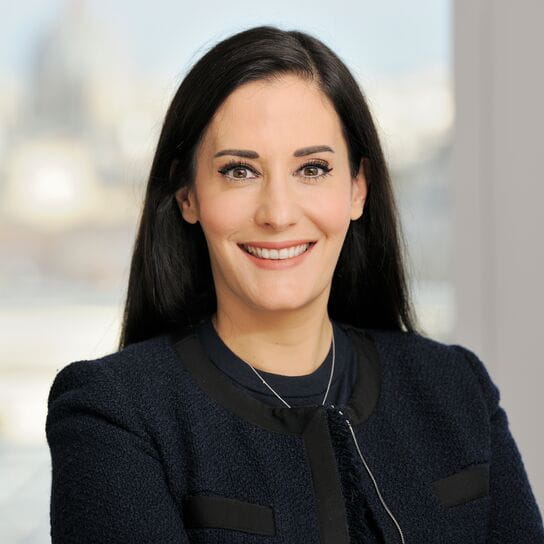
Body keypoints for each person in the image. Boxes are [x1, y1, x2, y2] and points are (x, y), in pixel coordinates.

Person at [45, 25, 544, 543]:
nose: (278, 213)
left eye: (312, 168)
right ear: (187, 195)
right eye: (239, 171)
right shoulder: (113, 414)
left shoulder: (457, 388)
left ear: (357, 188)